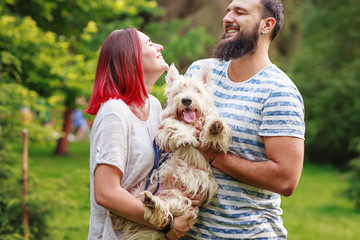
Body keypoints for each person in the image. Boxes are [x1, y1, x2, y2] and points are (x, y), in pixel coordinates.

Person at [183, 0, 305, 239]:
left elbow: (286, 179)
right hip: (187, 233)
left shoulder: (278, 92)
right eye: (228, 10)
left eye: (240, 12)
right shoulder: (199, 73)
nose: (227, 18)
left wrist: (214, 156)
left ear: (266, 25)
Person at [85, 28, 194, 240]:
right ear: (130, 57)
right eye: (149, 43)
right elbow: (106, 192)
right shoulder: (114, 112)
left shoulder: (153, 106)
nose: (159, 47)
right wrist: (167, 223)